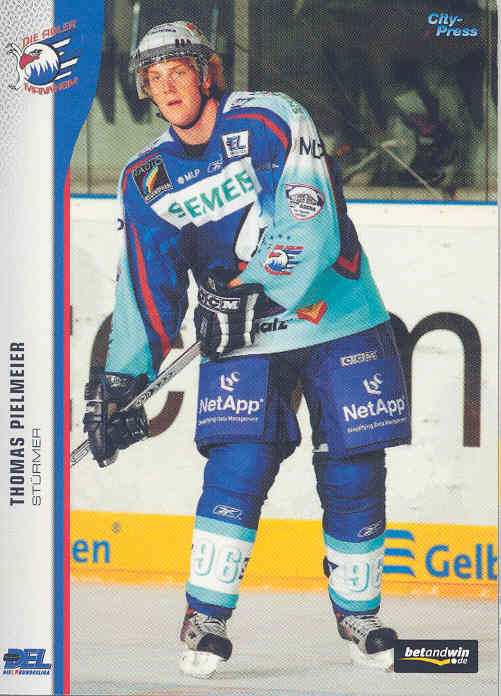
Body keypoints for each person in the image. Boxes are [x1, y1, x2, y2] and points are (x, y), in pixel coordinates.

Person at [83, 21, 411, 678]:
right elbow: (146, 286)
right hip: (241, 332)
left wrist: (251, 291)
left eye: (178, 71)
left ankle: (360, 615)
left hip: (338, 313)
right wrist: (121, 381)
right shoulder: (146, 176)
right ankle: (206, 617)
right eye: (153, 78)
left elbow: (311, 219)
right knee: (238, 462)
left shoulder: (271, 118)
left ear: (206, 72)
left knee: (353, 466)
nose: (167, 87)